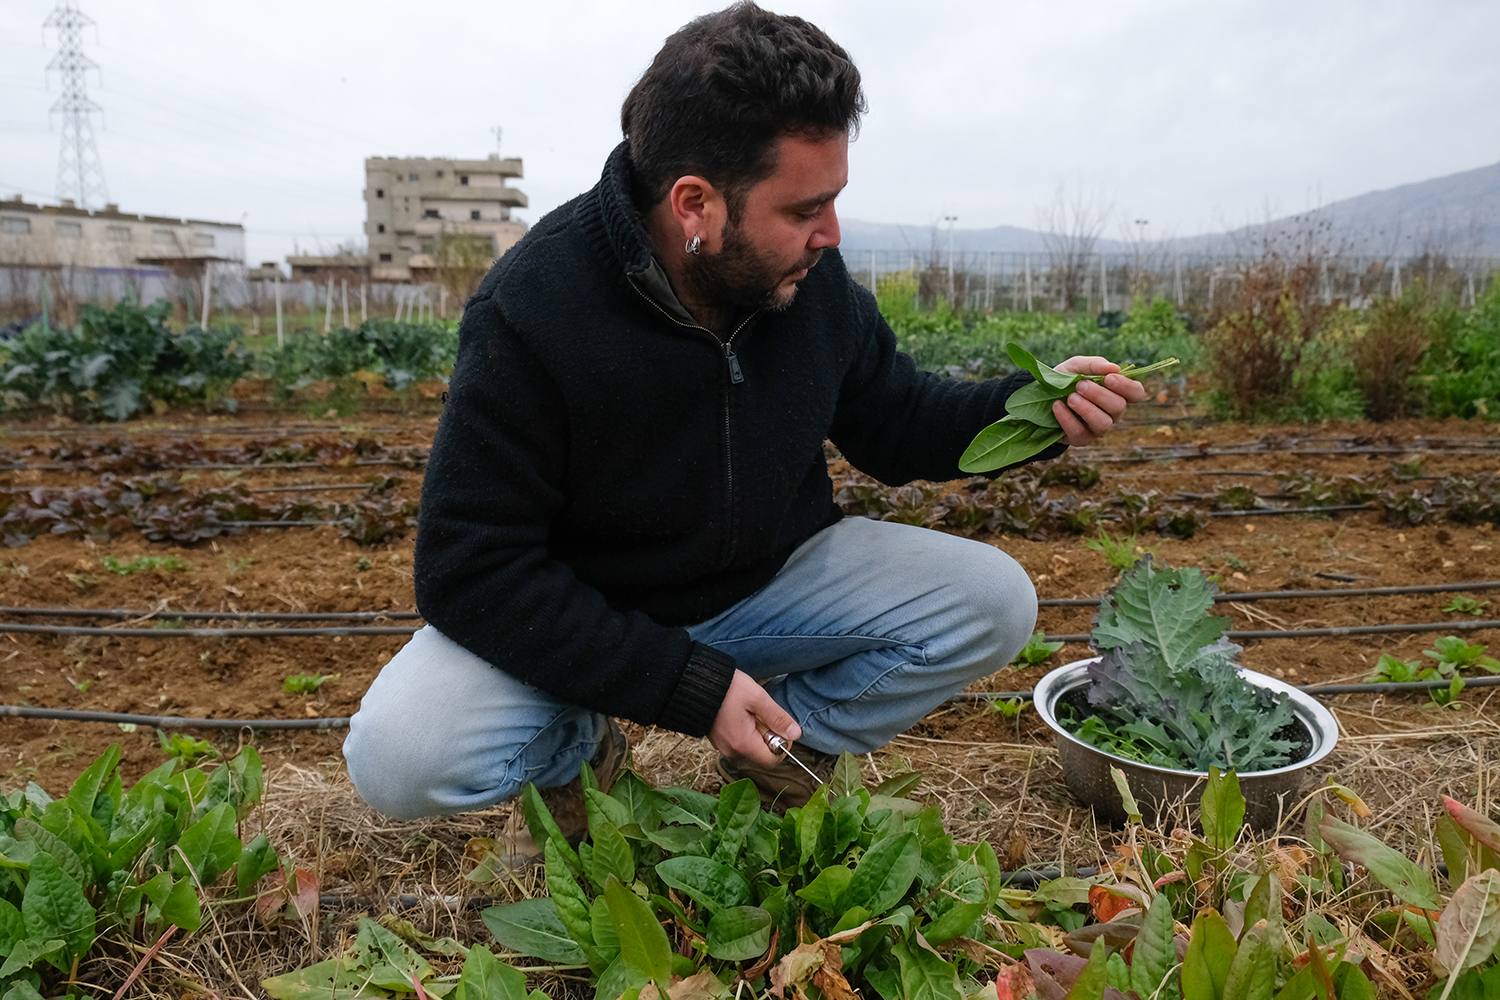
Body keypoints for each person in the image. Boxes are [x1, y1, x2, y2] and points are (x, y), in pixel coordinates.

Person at [343, 2, 1145, 847]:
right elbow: (468, 568)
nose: (830, 235)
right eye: (805, 209)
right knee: (403, 754)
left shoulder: (809, 286)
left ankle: (781, 762)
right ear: (696, 204)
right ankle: (576, 758)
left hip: (771, 584)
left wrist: (1033, 409)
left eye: (834, 202)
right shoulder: (535, 310)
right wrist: (686, 684)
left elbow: (897, 421)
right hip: (591, 611)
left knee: (993, 600)